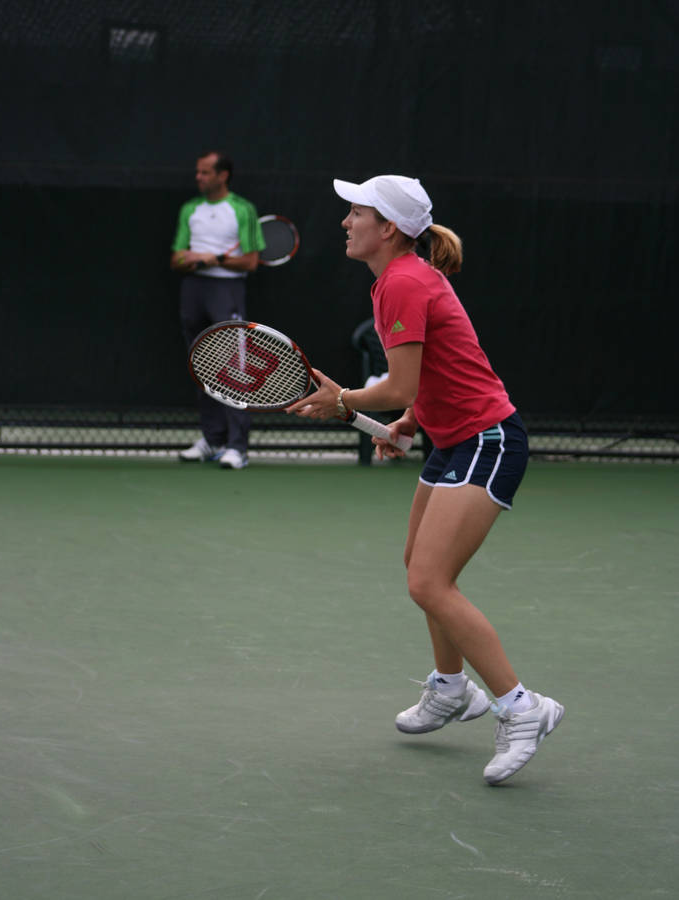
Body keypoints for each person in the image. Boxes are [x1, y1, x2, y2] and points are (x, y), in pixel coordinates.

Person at [287, 174, 564, 785]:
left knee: (429, 582)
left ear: (388, 228)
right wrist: (411, 422)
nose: (345, 221)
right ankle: (449, 690)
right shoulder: (403, 280)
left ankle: (523, 708)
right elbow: (448, 364)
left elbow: (400, 383)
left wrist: (345, 400)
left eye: (355, 212)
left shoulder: (404, 282)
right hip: (452, 437)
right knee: (421, 565)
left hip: (487, 441)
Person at [171, 150, 265, 470]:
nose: (199, 178)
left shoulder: (242, 209)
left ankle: (237, 447)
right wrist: (195, 259)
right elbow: (176, 258)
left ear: (223, 176)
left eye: (205, 173)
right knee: (201, 367)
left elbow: (251, 261)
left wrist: (219, 259)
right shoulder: (190, 209)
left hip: (227, 291)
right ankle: (213, 439)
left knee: (233, 368)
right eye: (198, 172)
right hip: (193, 290)